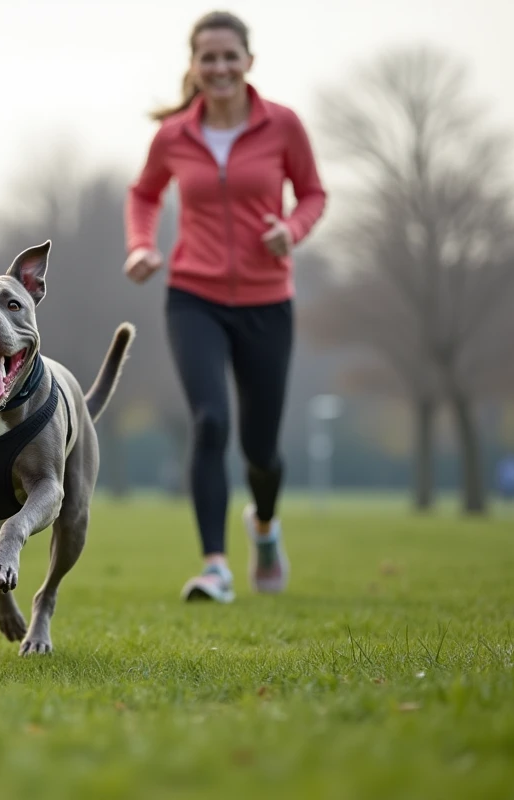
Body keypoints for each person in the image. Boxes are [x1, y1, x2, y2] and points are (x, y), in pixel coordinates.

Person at [123, 10, 327, 603]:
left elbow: (314, 192)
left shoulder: (283, 126)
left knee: (261, 448)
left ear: (249, 62)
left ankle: (263, 527)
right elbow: (143, 193)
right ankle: (215, 565)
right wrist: (141, 245)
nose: (219, 67)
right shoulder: (174, 137)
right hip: (194, 296)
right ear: (194, 66)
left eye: (229, 56)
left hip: (269, 302)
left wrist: (293, 228)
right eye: (207, 58)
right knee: (210, 422)